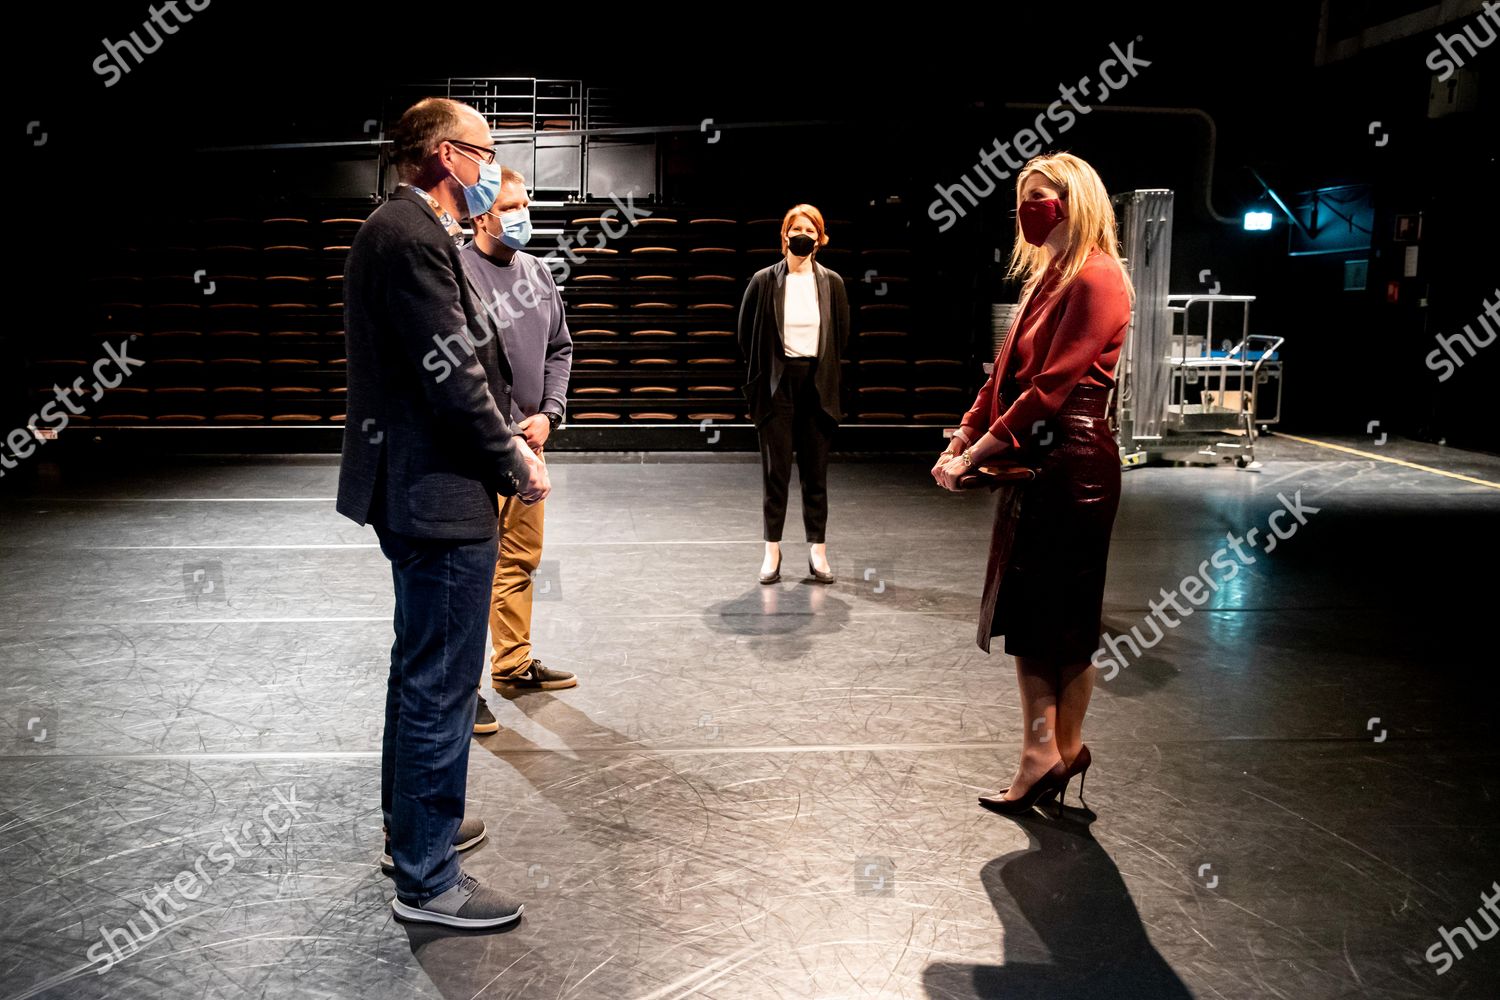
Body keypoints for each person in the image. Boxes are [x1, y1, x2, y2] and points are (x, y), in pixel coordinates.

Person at [337, 97, 550, 928]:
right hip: (442, 492)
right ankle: (427, 880)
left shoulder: (402, 231)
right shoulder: (413, 237)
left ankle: (413, 830)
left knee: (418, 664)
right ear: (443, 155)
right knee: (442, 682)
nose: (492, 169)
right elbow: (453, 374)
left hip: (418, 487)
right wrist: (516, 460)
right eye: (485, 153)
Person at [932, 152, 1133, 815]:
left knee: (1063, 624)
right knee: (1031, 619)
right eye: (1023, 197)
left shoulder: (1098, 278)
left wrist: (975, 455)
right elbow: (1001, 381)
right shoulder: (1044, 281)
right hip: (1034, 460)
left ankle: (1047, 753)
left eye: (1042, 195)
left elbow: (1048, 391)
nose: (1030, 208)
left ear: (1076, 201)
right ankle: (1054, 752)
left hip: (1073, 463)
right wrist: (962, 438)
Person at [460, 165, 577, 740]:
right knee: (469, 569)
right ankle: (463, 690)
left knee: (520, 560)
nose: (523, 215)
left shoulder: (536, 273)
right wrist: (502, 431)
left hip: (530, 444)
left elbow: (560, 347)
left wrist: (548, 415)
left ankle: (512, 663)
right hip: (481, 449)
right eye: (511, 206)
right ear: (482, 214)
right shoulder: (457, 272)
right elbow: (455, 369)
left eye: (525, 203)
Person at [736, 204, 849, 584]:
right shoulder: (764, 280)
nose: (803, 235)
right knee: (776, 473)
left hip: (817, 383)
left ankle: (818, 550)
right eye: (796, 229)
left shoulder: (832, 282)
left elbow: (841, 336)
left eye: (811, 230)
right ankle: (772, 550)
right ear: (784, 235)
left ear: (821, 238)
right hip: (777, 385)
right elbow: (744, 334)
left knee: (816, 473)